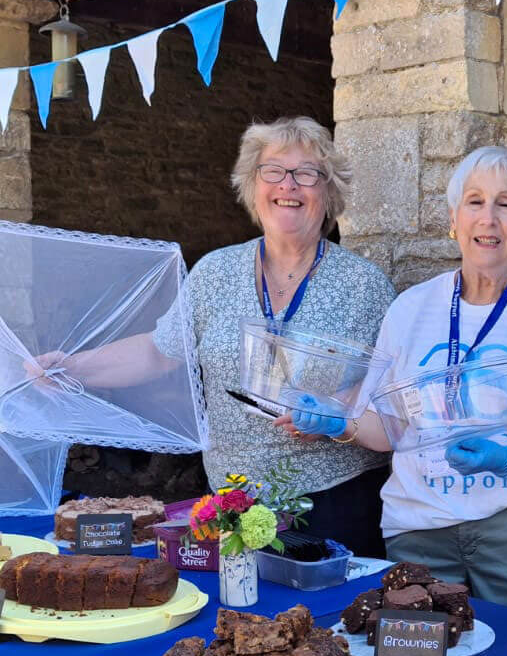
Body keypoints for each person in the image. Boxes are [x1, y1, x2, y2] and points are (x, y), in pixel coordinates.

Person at [29, 116, 396, 556]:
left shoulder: (365, 285)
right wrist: (73, 367)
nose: (289, 185)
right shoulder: (214, 272)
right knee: (240, 621)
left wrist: (334, 414)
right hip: (231, 503)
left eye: (308, 174)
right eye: (274, 171)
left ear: (329, 191)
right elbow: (157, 351)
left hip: (336, 499)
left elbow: (386, 391)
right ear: (252, 185)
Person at [283, 146, 507, 617]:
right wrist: (336, 421)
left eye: (505, 205)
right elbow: (388, 428)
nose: (488, 219)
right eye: (474, 202)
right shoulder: (411, 308)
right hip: (418, 529)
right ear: (454, 219)